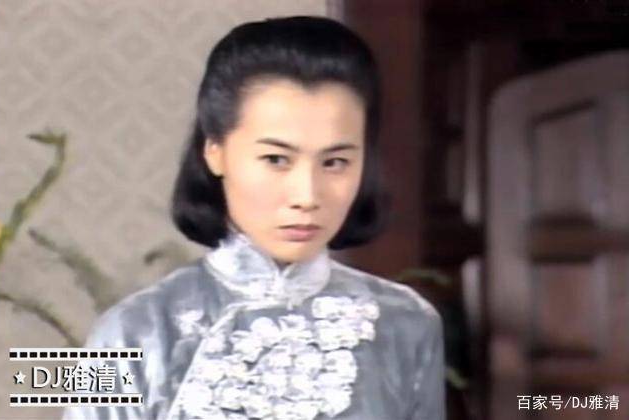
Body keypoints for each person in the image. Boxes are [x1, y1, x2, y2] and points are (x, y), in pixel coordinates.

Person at [63, 15, 445, 420]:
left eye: (335, 162)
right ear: (215, 151)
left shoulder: (408, 323)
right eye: (276, 159)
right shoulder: (130, 331)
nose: (307, 196)